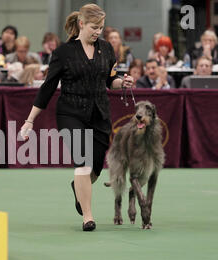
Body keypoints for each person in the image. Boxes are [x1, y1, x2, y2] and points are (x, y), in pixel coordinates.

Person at [19, 4, 134, 232]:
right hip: (71, 113)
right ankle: (88, 217)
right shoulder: (63, 52)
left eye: (100, 28)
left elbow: (110, 81)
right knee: (83, 162)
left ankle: (78, 187)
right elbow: (48, 88)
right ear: (81, 24)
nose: (97, 32)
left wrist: (123, 82)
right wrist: (30, 119)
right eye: (94, 27)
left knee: (95, 169)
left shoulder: (107, 49)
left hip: (100, 112)